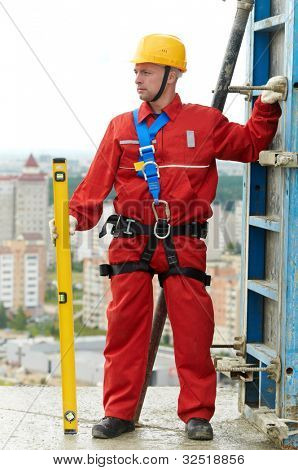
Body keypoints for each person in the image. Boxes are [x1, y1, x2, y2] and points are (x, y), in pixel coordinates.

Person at [49, 34, 282, 440]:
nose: (137, 78)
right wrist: (74, 217)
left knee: (193, 331)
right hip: (131, 238)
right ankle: (118, 413)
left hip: (184, 239)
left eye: (146, 71)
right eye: (136, 71)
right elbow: (97, 183)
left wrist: (267, 107)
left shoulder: (203, 123)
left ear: (172, 75)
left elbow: (247, 145)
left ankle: (196, 415)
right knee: (124, 331)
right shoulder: (121, 127)